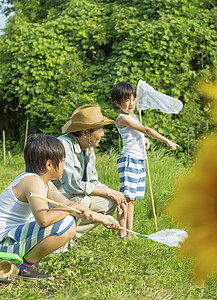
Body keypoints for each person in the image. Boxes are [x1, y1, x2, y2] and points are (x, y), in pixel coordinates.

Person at [0, 134, 120, 281]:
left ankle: (21, 264)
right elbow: (43, 219)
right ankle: (23, 267)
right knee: (67, 223)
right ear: (49, 164)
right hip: (4, 243)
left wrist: (102, 218)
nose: (64, 165)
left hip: (10, 239)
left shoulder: (43, 182)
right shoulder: (33, 181)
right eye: (62, 161)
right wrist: (70, 210)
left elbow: (68, 204)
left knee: (67, 218)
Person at [111, 81, 181, 238]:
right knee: (126, 198)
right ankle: (122, 232)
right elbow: (146, 129)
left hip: (138, 159)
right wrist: (167, 140)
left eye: (133, 99)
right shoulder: (123, 118)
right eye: (127, 100)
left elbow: (138, 134)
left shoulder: (133, 116)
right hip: (128, 159)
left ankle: (130, 231)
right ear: (117, 103)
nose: (131, 103)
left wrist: (144, 141)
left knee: (132, 200)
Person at [53, 104, 126, 240]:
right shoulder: (63, 146)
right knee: (83, 200)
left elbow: (92, 181)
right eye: (100, 130)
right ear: (85, 132)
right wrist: (108, 192)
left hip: (71, 198)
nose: (103, 134)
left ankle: (69, 236)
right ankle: (59, 238)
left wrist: (115, 195)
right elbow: (72, 185)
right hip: (53, 200)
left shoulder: (88, 149)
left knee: (110, 203)